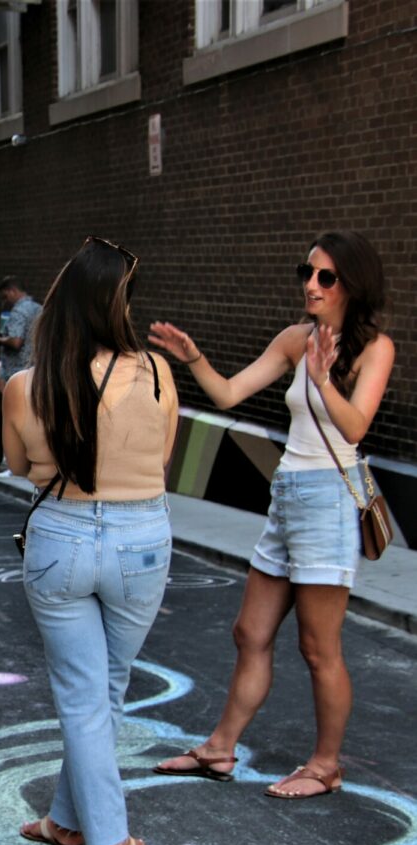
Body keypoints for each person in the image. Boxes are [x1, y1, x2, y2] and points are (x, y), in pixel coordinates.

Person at [150, 230, 395, 799]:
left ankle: (326, 765)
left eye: (325, 277)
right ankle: (219, 748)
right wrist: (194, 358)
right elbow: (230, 394)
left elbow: (355, 427)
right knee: (249, 632)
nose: (311, 285)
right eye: (306, 273)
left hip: (329, 502)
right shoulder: (294, 338)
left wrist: (319, 377)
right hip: (286, 495)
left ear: (351, 286)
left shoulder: (374, 348)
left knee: (318, 647)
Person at [3, 237, 178, 845]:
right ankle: (90, 830)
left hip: (60, 538)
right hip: (140, 539)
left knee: (84, 695)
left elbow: (21, 467)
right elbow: (160, 461)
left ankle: (86, 830)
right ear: (117, 306)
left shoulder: (26, 385)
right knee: (105, 690)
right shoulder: (157, 372)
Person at [0, 275, 43, 385]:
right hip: (34, 370)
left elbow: (16, 341)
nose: (5, 301)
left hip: (16, 373)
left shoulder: (18, 311)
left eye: (5, 296)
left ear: (13, 291)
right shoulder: (39, 308)